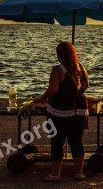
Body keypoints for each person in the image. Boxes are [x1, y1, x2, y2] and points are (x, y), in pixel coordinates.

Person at [33, 41, 90, 181]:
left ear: (59, 55)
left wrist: (41, 98)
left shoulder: (57, 70)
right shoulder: (81, 68)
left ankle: (55, 174)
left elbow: (53, 90)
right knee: (76, 141)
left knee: (57, 142)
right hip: (80, 110)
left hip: (60, 110)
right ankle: (79, 173)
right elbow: (86, 85)